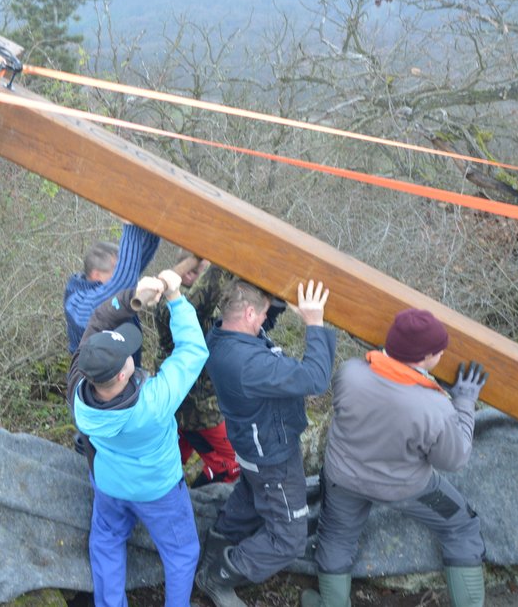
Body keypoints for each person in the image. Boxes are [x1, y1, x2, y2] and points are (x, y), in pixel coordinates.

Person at [302, 309, 487, 607]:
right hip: (405, 488)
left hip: (343, 478)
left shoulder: (349, 373)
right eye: (439, 351)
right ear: (426, 358)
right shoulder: (436, 408)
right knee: (461, 526)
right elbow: (454, 460)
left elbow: (381, 379)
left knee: (336, 536)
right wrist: (464, 403)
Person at [68, 269, 208, 607]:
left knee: (106, 541)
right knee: (180, 552)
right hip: (158, 491)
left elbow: (100, 319)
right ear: (122, 373)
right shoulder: (154, 402)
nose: (133, 354)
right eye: (128, 355)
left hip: (110, 485)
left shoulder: (78, 389)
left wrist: (134, 296)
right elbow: (193, 350)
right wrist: (175, 297)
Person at [196, 279, 335, 607]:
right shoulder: (249, 364)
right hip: (273, 456)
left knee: (248, 503)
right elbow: (315, 379)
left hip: (252, 448)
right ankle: (219, 576)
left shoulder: (221, 336)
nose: (264, 321)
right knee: (289, 540)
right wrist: (315, 324)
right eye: (259, 315)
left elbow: (261, 321)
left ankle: (212, 554)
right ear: (246, 313)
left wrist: (280, 297)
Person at [153, 254, 239, 487]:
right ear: (188, 274)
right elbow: (199, 301)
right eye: (199, 271)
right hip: (196, 410)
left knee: (172, 458)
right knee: (233, 463)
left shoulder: (209, 308)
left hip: (190, 404)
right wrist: (227, 251)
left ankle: (182, 492)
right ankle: (196, 496)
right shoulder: (169, 307)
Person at [64, 222, 160, 356]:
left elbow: (131, 267)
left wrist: (156, 222)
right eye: (117, 269)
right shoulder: (79, 304)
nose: (122, 271)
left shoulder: (104, 287)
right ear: (97, 275)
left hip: (124, 373)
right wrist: (130, 224)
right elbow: (124, 281)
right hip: (96, 376)